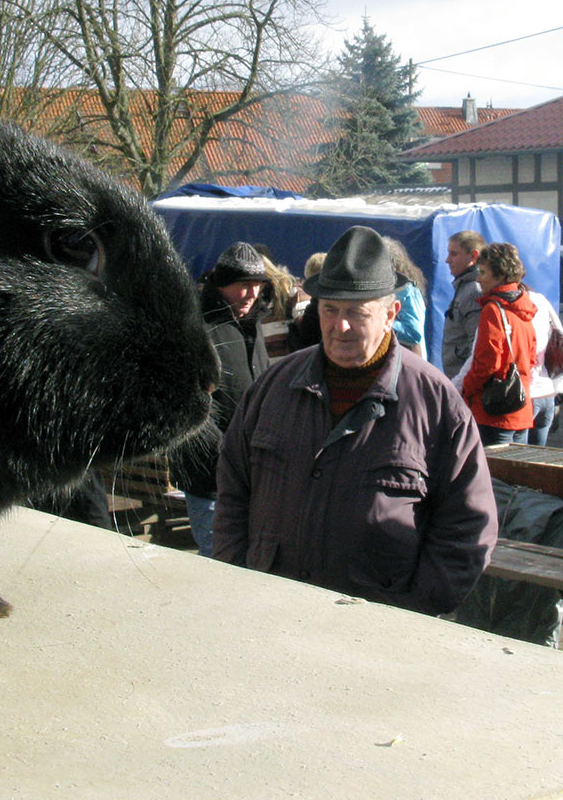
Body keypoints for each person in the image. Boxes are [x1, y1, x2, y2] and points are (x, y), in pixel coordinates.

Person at [212, 226, 498, 616]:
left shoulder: (436, 403)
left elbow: (468, 525)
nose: (340, 326)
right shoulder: (274, 388)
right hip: (270, 616)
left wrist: (413, 611)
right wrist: (237, 574)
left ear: (391, 314)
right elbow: (232, 489)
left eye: (356, 313)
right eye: (330, 309)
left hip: (377, 634)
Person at [170, 241, 270, 557]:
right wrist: (227, 455)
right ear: (222, 284)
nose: (251, 294)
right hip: (208, 476)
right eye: (243, 285)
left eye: (257, 285)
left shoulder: (251, 326)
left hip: (248, 476)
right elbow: (185, 406)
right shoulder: (198, 327)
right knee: (219, 559)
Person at [460, 243, 537, 446]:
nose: (478, 279)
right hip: (520, 406)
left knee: (491, 474)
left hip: (493, 411)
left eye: (483, 272)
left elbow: (486, 363)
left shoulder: (493, 310)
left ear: (500, 275)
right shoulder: (524, 307)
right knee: (516, 474)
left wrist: (466, 389)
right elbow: (531, 357)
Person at [526, 288, 563, 446]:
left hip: (526, 395)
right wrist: (560, 387)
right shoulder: (541, 300)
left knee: (514, 462)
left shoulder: (506, 305)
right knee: (536, 462)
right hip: (546, 393)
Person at [442, 230, 486, 378]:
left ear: (473, 256)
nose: (448, 260)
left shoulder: (474, 291)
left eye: (454, 254)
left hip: (464, 381)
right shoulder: (463, 287)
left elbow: (477, 345)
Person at [382, 236, 428, 360]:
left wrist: (380, 321)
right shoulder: (386, 288)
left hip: (408, 363)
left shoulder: (408, 290)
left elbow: (413, 332)